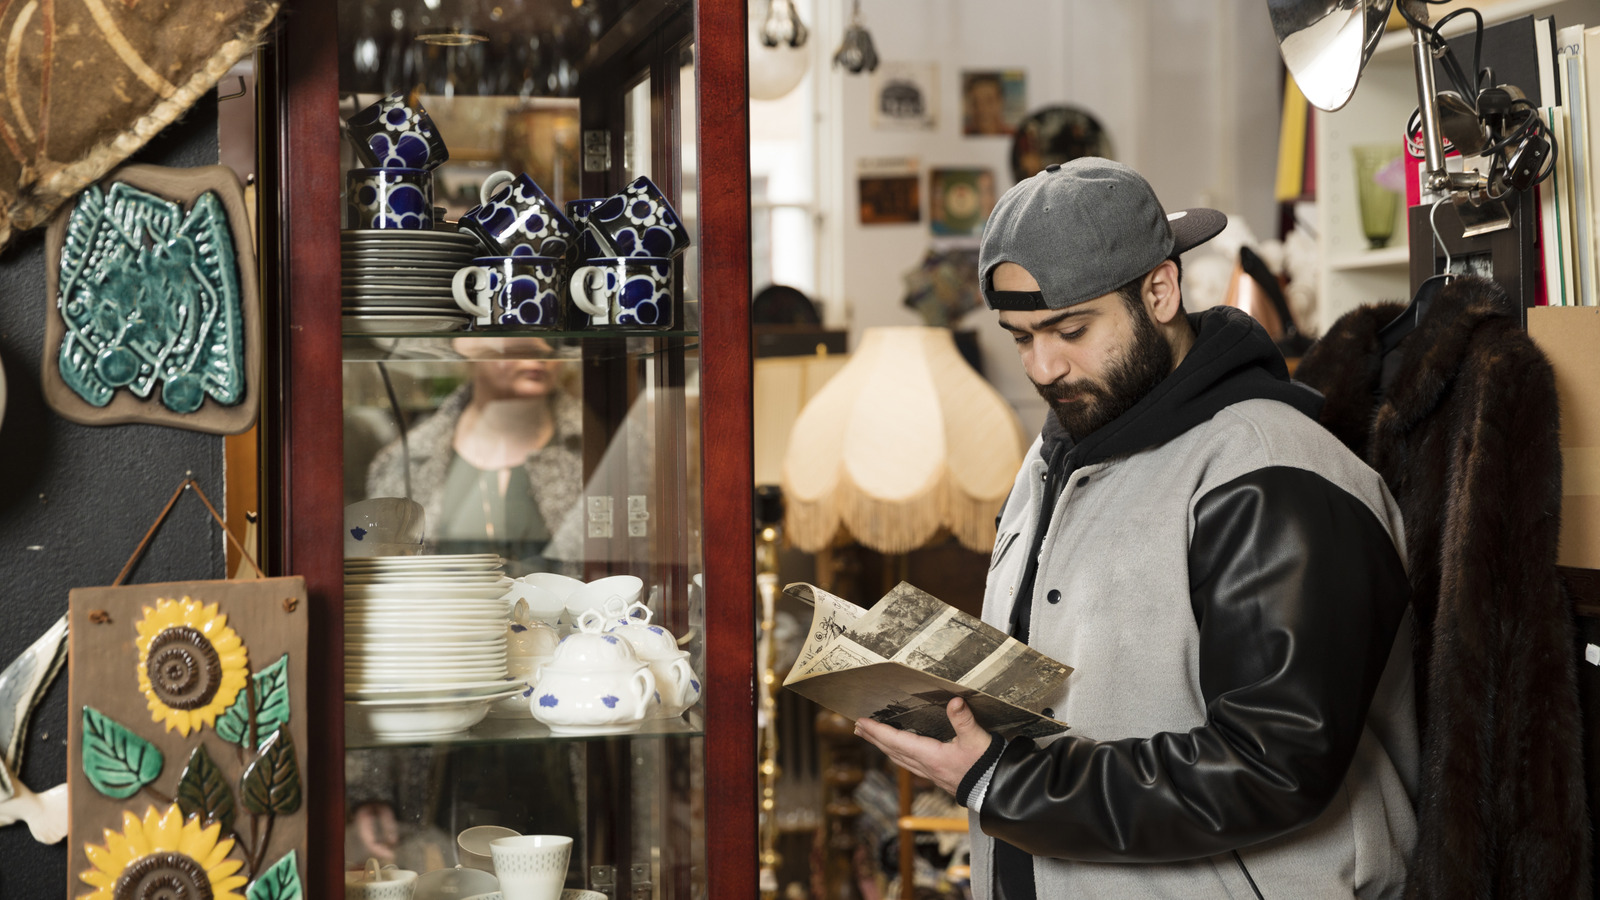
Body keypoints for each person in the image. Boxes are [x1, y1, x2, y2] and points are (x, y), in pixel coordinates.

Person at [854, 158, 1418, 899]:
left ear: (1160, 291)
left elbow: (1274, 764)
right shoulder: (1053, 455)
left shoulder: (1272, 473)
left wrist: (1003, 779)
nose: (1044, 367)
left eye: (1070, 329)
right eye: (1020, 337)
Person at [365, 335, 584, 577]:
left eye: (552, 336)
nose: (540, 349)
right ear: (467, 343)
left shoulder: (596, 445)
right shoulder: (406, 459)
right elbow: (385, 574)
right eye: (513, 332)